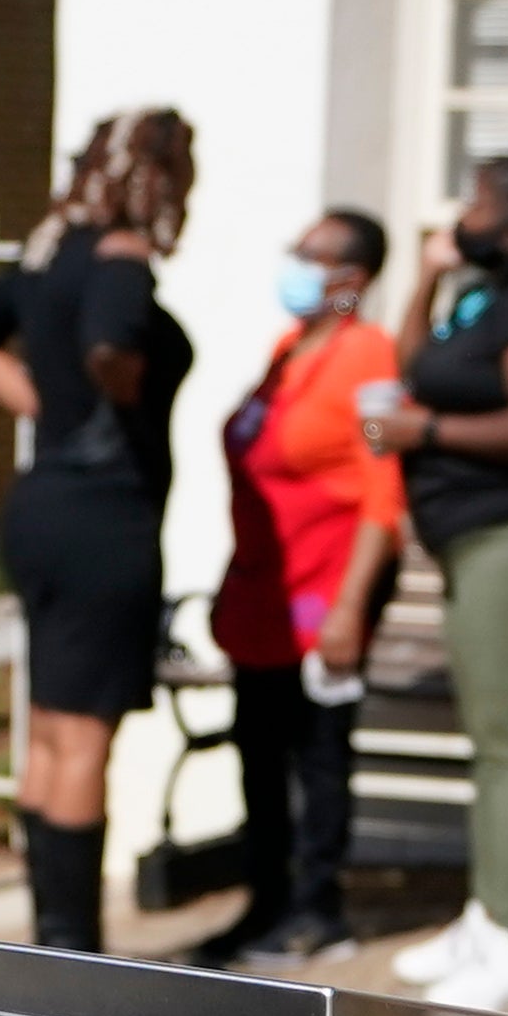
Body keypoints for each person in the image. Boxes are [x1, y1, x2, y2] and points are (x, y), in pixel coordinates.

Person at [354, 147, 508, 1015]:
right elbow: (413, 361)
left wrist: (426, 433)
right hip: (475, 539)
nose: (462, 214)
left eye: (479, 202)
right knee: (490, 733)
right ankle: (485, 916)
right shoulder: (483, 299)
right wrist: (427, 278)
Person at [0, 109, 198, 951]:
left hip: (40, 509)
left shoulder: (47, 252)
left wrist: (42, 402)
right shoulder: (121, 260)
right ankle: (76, 954)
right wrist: (112, 387)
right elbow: (110, 341)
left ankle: (49, 939)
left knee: (51, 724)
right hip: (104, 519)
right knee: (87, 735)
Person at [192, 205, 406, 968]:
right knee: (256, 746)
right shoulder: (288, 348)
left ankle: (319, 909)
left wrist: (351, 607)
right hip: (263, 587)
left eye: (311, 254)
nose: (294, 262)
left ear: (351, 279)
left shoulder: (369, 354)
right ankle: (265, 900)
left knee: (315, 753)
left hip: (326, 587)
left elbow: (385, 490)